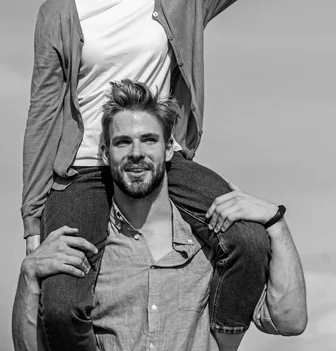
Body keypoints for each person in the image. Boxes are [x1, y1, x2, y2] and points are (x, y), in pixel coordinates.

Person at [21, 0, 336, 351]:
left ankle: (223, 341)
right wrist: (32, 224)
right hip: (84, 168)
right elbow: (43, 113)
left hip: (163, 160)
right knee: (61, 304)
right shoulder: (61, 12)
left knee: (249, 241)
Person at [13, 80, 308, 351]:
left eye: (149, 140)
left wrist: (275, 222)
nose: (136, 152)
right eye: (123, 142)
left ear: (169, 149)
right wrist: (29, 275)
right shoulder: (86, 247)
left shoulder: (213, 240)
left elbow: (290, 321)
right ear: (104, 154)